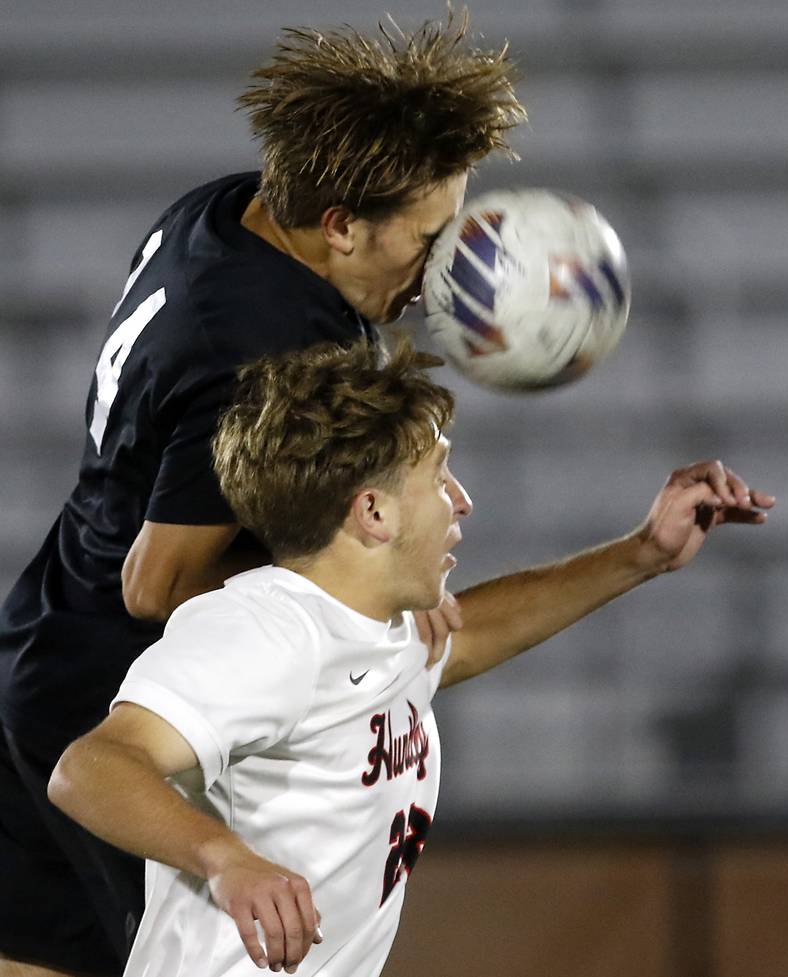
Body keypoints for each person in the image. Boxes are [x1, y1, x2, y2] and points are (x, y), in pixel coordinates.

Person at [0, 14, 526, 977]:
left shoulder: (226, 209)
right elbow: (157, 583)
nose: (440, 267)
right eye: (427, 235)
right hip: (122, 709)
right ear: (340, 225)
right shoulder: (266, 344)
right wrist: (348, 574)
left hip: (43, 634)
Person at [47, 339, 773, 977]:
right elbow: (91, 768)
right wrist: (224, 856)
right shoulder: (266, 629)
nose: (461, 500)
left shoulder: (381, 624)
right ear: (373, 512)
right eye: (439, 474)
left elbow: (469, 637)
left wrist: (642, 552)